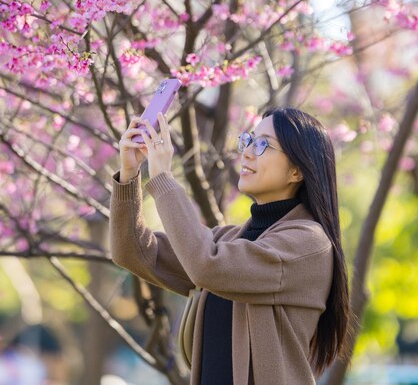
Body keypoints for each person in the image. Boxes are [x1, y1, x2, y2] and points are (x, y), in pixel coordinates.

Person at [110, 107, 350, 385]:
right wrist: (129, 176)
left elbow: (206, 264)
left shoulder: (307, 244)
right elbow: (135, 252)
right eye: (249, 140)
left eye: (263, 145)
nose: (247, 152)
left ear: (297, 170)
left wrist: (163, 178)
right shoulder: (231, 241)